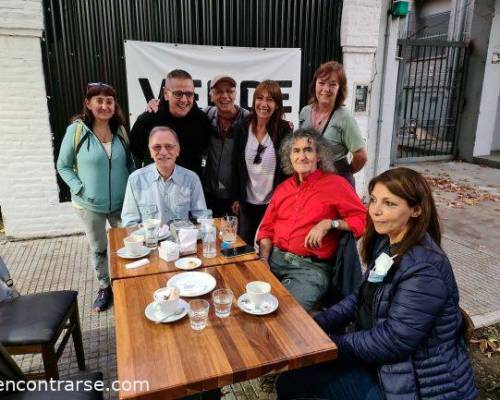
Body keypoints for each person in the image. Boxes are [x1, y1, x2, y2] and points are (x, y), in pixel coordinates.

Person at [276, 167, 477, 400]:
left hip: (409, 383)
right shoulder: (388, 244)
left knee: (293, 384)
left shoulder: (425, 269)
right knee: (291, 380)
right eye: (373, 200)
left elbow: (393, 340)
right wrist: (317, 325)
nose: (376, 211)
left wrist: (329, 346)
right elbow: (360, 297)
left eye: (389, 204)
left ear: (416, 210)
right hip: (382, 365)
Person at [257, 129, 366, 311]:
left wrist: (330, 223)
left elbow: (364, 219)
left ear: (319, 155)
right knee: (241, 296)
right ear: (289, 157)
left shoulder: (336, 184)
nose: (302, 156)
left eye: (308, 150)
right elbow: (267, 229)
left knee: (283, 313)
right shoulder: (283, 189)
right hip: (273, 260)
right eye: (296, 151)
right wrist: (263, 259)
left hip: (309, 269)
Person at [57, 82, 134, 312]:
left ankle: (127, 282)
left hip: (120, 203)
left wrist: (132, 192)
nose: (104, 105)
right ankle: (104, 287)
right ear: (88, 104)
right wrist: (80, 189)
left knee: (129, 244)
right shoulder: (77, 131)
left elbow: (129, 164)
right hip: (89, 205)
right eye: (99, 100)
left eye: (109, 101)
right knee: (99, 247)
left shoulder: (120, 130)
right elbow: (63, 166)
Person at [231, 80, 292, 244]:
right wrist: (236, 197)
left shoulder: (284, 130)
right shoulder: (242, 127)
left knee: (268, 248)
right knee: (245, 247)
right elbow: (235, 165)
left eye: (270, 100)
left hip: (272, 204)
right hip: (247, 204)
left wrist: (282, 202)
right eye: (260, 98)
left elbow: (287, 170)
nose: (264, 104)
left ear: (278, 105)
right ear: (254, 101)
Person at [129, 69, 210, 177]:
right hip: (156, 192)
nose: (184, 100)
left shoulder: (202, 120)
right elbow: (135, 156)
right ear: (165, 94)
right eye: (178, 94)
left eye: (189, 94)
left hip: (191, 191)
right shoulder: (147, 120)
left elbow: (205, 152)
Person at [121, 126, 207, 227]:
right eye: (157, 147)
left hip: (182, 240)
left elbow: (202, 218)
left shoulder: (192, 179)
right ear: (150, 152)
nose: (163, 152)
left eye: (169, 146)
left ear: (178, 150)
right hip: (149, 241)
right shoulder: (135, 180)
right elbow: (129, 223)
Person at [299, 61, 367, 186]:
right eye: (322, 83)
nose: (326, 89)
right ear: (315, 85)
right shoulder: (305, 112)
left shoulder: (344, 117)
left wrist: (345, 173)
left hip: (336, 182)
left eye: (332, 84)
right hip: (311, 180)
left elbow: (361, 156)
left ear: (340, 88)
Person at [203, 75, 250, 217]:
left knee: (235, 238)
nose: (225, 96)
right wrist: (157, 103)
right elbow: (180, 113)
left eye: (229, 91)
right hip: (209, 195)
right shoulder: (206, 115)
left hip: (236, 198)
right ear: (211, 96)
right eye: (218, 92)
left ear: (235, 94)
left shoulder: (248, 119)